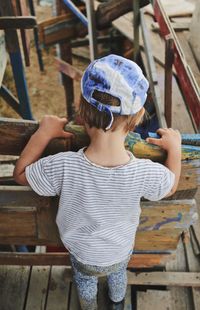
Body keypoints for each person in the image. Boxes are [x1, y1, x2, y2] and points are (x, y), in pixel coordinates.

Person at [13, 54, 181, 310]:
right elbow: (170, 187)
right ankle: (117, 303)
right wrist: (176, 149)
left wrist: (43, 133)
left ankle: (89, 306)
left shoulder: (65, 165)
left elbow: (21, 174)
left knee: (85, 280)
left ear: (82, 113)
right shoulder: (142, 173)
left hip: (81, 254)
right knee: (117, 275)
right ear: (136, 118)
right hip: (119, 252)